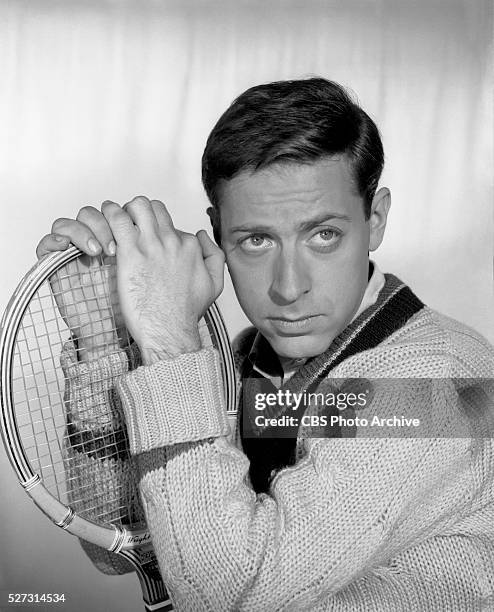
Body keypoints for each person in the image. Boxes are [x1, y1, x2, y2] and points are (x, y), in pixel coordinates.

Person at [37, 78, 494, 610]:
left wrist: (166, 345)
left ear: (376, 219)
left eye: (323, 235)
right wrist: (104, 344)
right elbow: (123, 546)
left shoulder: (435, 384)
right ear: (218, 230)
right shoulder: (246, 362)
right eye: (256, 240)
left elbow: (231, 594)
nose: (288, 287)